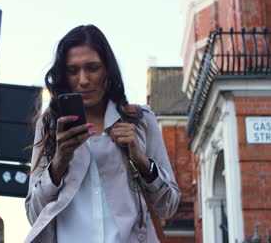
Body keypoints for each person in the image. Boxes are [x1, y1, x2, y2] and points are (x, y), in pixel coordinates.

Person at [24, 24, 180, 243]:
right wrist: (59, 162)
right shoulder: (50, 125)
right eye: (73, 70)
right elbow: (34, 214)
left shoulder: (140, 119)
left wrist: (142, 162)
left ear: (108, 70)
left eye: (92, 68)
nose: (84, 79)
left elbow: (169, 206)